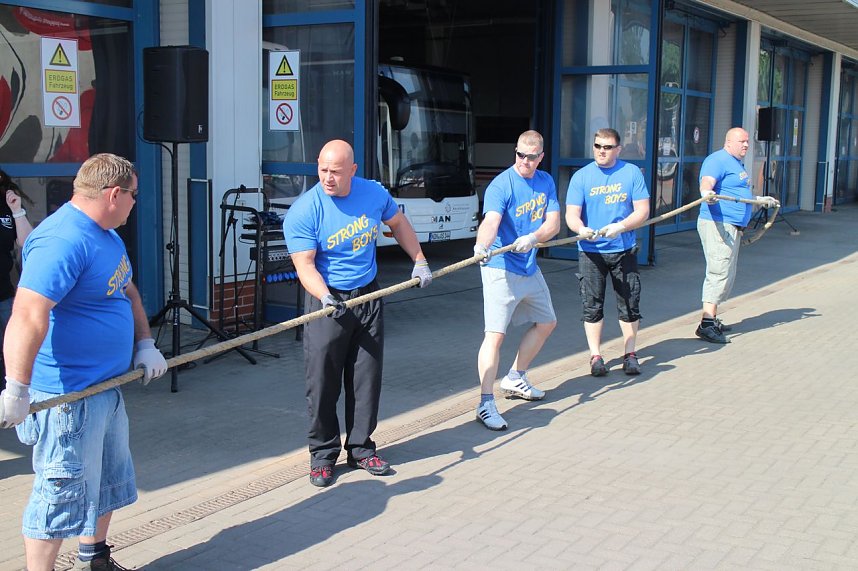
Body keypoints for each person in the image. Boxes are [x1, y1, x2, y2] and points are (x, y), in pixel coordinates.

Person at [0, 153, 168, 571]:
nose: (135, 202)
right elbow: (27, 315)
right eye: (133, 195)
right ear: (113, 194)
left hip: (105, 390)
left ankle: (95, 558)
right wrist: (17, 388)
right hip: (67, 398)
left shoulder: (106, 235)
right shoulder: (62, 241)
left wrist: (145, 343)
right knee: (58, 496)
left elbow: (126, 291)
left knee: (109, 483)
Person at [283, 139, 432, 488]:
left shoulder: (374, 194)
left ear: (353, 170)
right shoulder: (305, 210)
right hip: (327, 301)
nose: (328, 178)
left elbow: (399, 224)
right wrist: (325, 297)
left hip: (368, 295)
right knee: (322, 382)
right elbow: (304, 266)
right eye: (322, 170)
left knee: (366, 378)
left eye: (336, 171)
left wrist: (419, 260)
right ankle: (322, 455)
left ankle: (362, 449)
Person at [472, 130, 560, 431]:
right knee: (495, 335)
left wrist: (534, 237)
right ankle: (485, 403)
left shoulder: (545, 181)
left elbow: (554, 222)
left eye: (531, 156)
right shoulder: (502, 184)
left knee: (547, 322)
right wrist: (482, 246)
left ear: (541, 157)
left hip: (528, 266)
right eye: (520, 154)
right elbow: (491, 221)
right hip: (500, 267)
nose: (524, 161)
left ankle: (516, 377)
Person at [565, 128, 650, 377]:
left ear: (618, 149)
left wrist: (622, 226)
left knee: (629, 302)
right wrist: (581, 229)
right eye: (598, 146)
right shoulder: (581, 177)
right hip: (591, 252)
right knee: (592, 305)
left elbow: (642, 210)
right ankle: (595, 356)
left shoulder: (631, 173)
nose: (602, 151)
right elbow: (571, 214)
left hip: (623, 249)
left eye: (608, 147)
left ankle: (630, 354)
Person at [695, 127, 776, 344]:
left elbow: (738, 194)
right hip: (717, 224)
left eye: (748, 141)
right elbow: (707, 182)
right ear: (729, 141)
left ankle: (712, 318)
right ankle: (707, 323)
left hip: (732, 227)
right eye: (742, 141)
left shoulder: (736, 164)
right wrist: (707, 194)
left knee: (727, 273)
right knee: (718, 271)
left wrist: (759, 199)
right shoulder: (717, 159)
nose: (747, 145)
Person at [0, 169, 35, 389]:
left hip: (2, 293)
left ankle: (12, 396)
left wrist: (17, 211)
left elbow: (27, 242)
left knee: (11, 350)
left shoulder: (6, 205)